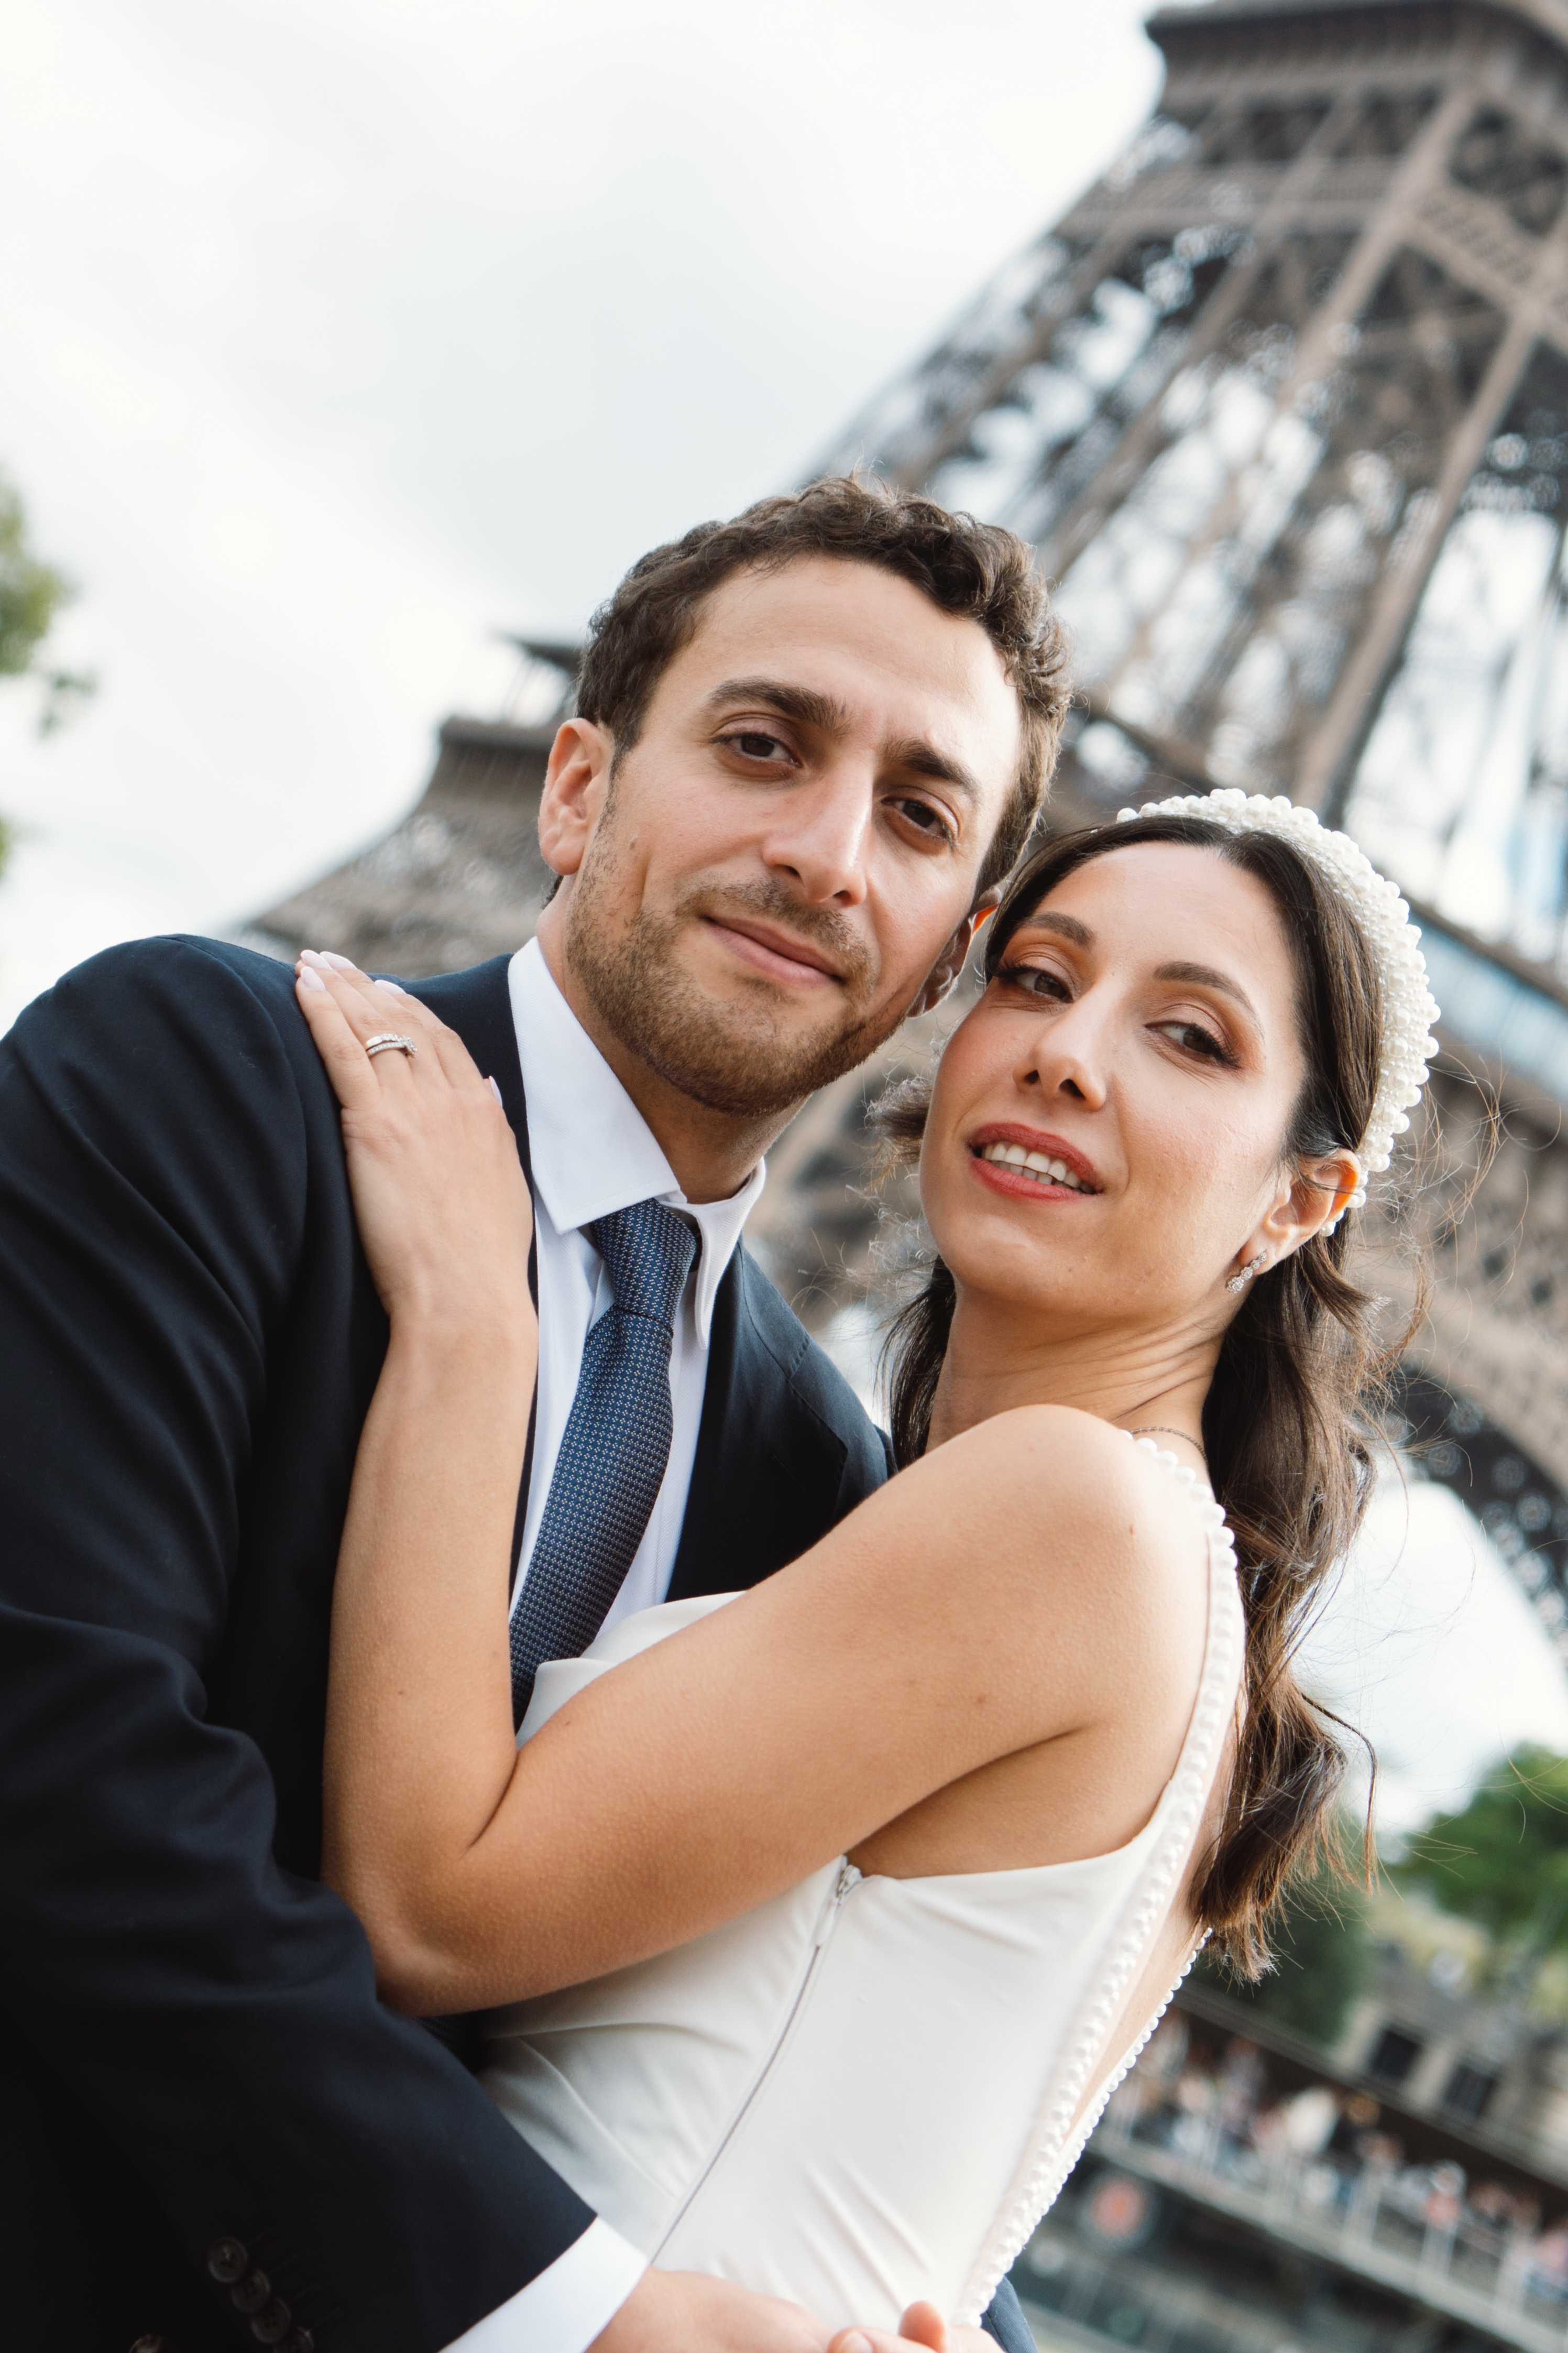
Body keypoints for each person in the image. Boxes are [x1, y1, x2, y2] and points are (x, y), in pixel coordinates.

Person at [0, 477, 1067, 2353]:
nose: (826, 852)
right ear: (575, 787)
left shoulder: (824, 1485)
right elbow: (55, 1751)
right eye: (762, 744)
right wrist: (572, 2312)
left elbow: (747, 2054)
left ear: (945, 958)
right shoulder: (198, 1077)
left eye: (914, 815)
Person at [288, 787, 1440, 2332]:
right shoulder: (1139, 1564)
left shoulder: (1066, 1513)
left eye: (1189, 1036)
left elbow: (429, 1912)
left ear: (1302, 1200)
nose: (1062, 1050)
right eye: (1036, 975)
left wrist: (469, 1320)